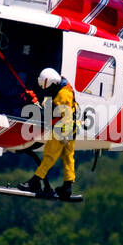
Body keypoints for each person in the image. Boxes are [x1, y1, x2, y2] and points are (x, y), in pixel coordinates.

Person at [20, 67, 78, 200]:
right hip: (72, 128)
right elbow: (50, 105)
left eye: (47, 88)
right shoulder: (60, 87)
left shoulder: (63, 95)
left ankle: (35, 181)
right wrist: (36, 101)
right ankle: (67, 187)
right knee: (68, 157)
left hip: (63, 129)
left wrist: (63, 136)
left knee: (49, 155)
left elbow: (65, 116)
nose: (46, 90)